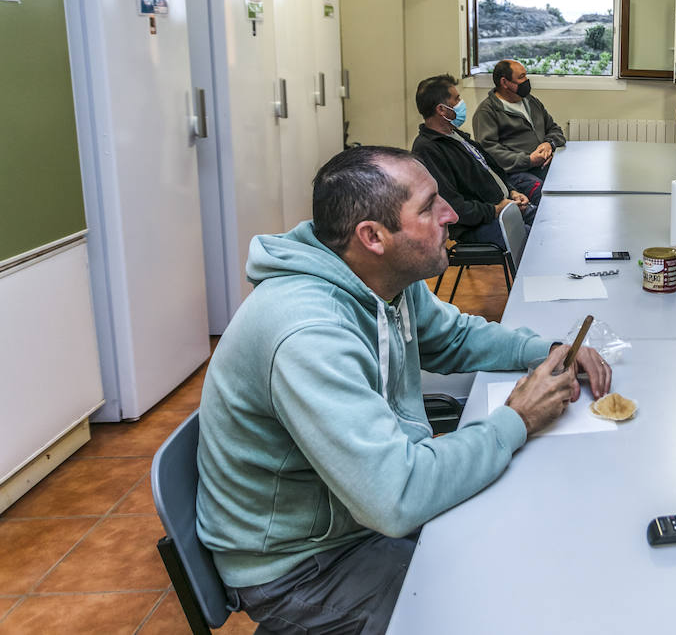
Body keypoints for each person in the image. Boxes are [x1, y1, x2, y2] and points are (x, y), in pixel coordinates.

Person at [196, 146, 610, 634]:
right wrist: (517, 419)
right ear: (373, 236)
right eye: (429, 205)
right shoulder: (307, 332)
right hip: (304, 567)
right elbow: (396, 497)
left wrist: (549, 350)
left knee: (524, 542)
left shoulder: (382, 278)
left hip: (358, 516)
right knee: (497, 606)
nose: (451, 214)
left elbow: (455, 338)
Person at [411, 74, 534, 249]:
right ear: (442, 110)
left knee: (549, 222)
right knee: (536, 241)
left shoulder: (456, 135)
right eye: (457, 99)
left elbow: (492, 171)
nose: (462, 103)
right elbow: (453, 206)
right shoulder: (428, 149)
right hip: (476, 225)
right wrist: (496, 209)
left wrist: (513, 192)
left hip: (503, 207)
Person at [472, 59, 565, 201]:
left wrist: (549, 144)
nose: (526, 81)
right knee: (546, 195)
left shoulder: (530, 101)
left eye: (526, 76)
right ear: (504, 82)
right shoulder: (487, 111)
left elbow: (554, 129)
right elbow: (489, 153)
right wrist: (529, 160)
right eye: (521, 77)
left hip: (542, 165)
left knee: (571, 182)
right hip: (515, 173)